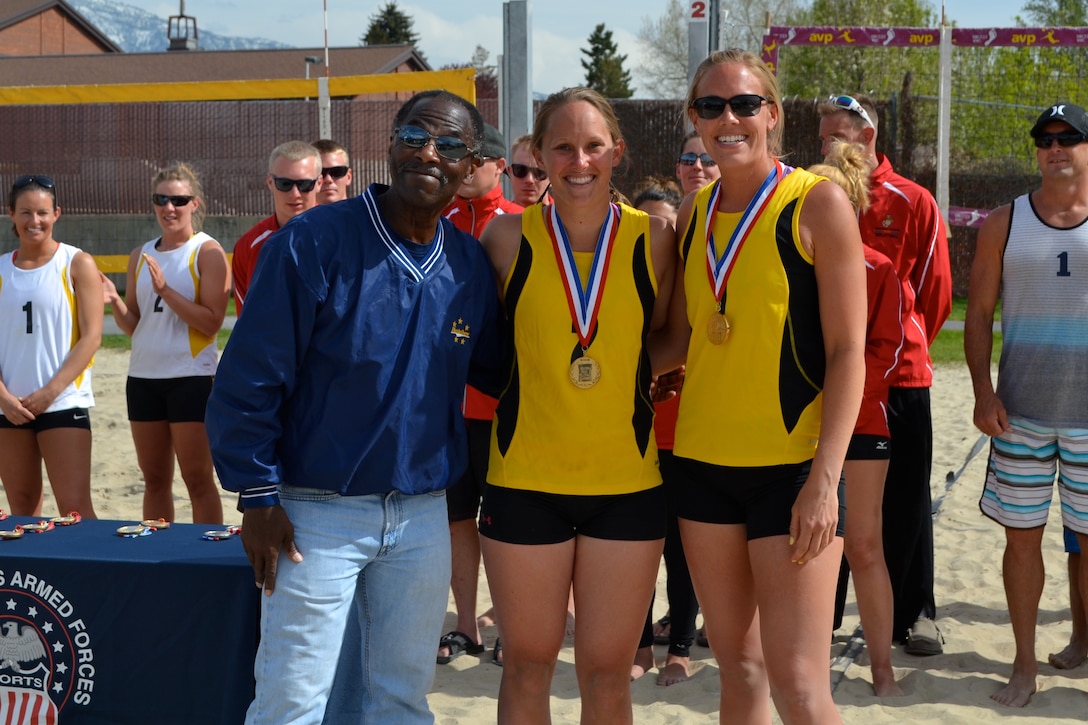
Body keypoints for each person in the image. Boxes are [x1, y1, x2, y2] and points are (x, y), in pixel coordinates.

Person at [205, 90, 502, 724]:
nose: (429, 152)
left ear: (470, 164)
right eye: (415, 136)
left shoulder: (469, 265)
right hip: (317, 513)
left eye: (449, 145)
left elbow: (506, 374)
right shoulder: (315, 241)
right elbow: (249, 377)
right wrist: (257, 495)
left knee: (399, 699)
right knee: (292, 701)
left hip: (422, 515)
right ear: (390, 142)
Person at [653, 49, 865, 724]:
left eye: (745, 104)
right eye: (711, 106)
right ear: (694, 117)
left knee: (799, 684)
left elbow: (848, 351)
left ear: (772, 113)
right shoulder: (690, 213)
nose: (729, 118)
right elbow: (674, 344)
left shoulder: (818, 201)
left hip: (793, 471)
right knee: (739, 672)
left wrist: (825, 480)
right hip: (703, 467)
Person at [477, 86, 676, 723]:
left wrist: (636, 373)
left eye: (593, 145)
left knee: (606, 674)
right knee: (528, 666)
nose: (578, 160)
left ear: (616, 152)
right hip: (524, 479)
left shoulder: (656, 239)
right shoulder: (503, 238)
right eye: (562, 146)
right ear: (538, 153)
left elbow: (674, 336)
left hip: (627, 484)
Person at [818, 93, 953, 655]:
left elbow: (934, 295)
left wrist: (893, 350)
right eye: (821, 135)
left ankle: (916, 613)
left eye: (834, 135)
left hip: (900, 380)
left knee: (905, 499)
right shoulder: (815, 200)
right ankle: (823, 611)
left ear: (867, 136)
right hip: (830, 377)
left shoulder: (912, 200)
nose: (824, 145)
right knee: (831, 497)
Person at [966, 101, 1088, 708]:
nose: (1055, 146)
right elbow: (980, 315)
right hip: (1021, 412)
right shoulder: (1004, 222)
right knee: (1022, 542)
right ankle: (1023, 665)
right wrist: (983, 392)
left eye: (1069, 137)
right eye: (1045, 138)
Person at [810, 142, 905, 697]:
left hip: (862, 425)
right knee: (803, 548)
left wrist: (838, 404)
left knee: (863, 546)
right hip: (792, 427)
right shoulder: (786, 263)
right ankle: (804, 666)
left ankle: (882, 670)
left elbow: (884, 351)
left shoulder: (878, 267)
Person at [436, 121, 522, 666]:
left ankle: (514, 627)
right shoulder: (437, 222)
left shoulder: (523, 224)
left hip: (507, 400)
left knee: (510, 523)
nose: (467, 171)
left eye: (477, 160)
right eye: (459, 160)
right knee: (456, 519)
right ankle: (465, 625)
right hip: (446, 404)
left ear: (498, 166)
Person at [100, 163, 229, 524]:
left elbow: (211, 323)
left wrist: (166, 291)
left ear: (194, 203)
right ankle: (154, 558)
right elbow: (136, 326)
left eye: (179, 199)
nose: (169, 207)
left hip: (190, 377)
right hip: (142, 378)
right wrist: (114, 299)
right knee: (155, 480)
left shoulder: (206, 251)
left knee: (198, 480)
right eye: (162, 199)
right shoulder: (141, 254)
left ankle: (205, 559)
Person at [0, 175, 101, 518]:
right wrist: (2, 397)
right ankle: (31, 576)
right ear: (10, 213)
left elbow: (92, 338)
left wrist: (50, 392)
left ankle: (95, 573)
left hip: (61, 402)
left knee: (75, 510)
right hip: (9, 407)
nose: (35, 221)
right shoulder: (1, 269)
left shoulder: (77, 262)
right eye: (25, 212)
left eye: (42, 212)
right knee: (22, 510)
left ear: (57, 213)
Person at [231, 140, 320, 314]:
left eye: (304, 185)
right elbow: (248, 319)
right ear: (270, 182)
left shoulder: (341, 238)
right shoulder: (248, 246)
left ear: (319, 183)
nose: (295, 194)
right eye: (284, 184)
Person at [507, 133, 552, 207]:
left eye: (538, 172)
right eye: (520, 170)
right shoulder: (497, 217)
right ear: (510, 173)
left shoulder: (567, 217)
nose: (529, 180)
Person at [312, 139, 353, 205]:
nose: (328, 179)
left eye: (337, 171)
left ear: (349, 177)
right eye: (320, 172)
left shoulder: (366, 214)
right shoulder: (299, 215)